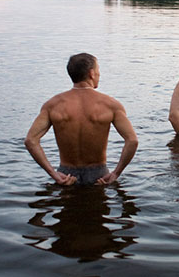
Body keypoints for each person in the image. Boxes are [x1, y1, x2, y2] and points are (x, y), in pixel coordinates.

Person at [25, 53, 139, 186]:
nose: (99, 74)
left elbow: (31, 140)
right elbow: (132, 141)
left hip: (66, 175)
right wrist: (116, 173)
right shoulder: (110, 105)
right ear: (91, 73)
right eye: (98, 70)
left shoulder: (53, 105)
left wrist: (53, 174)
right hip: (99, 175)